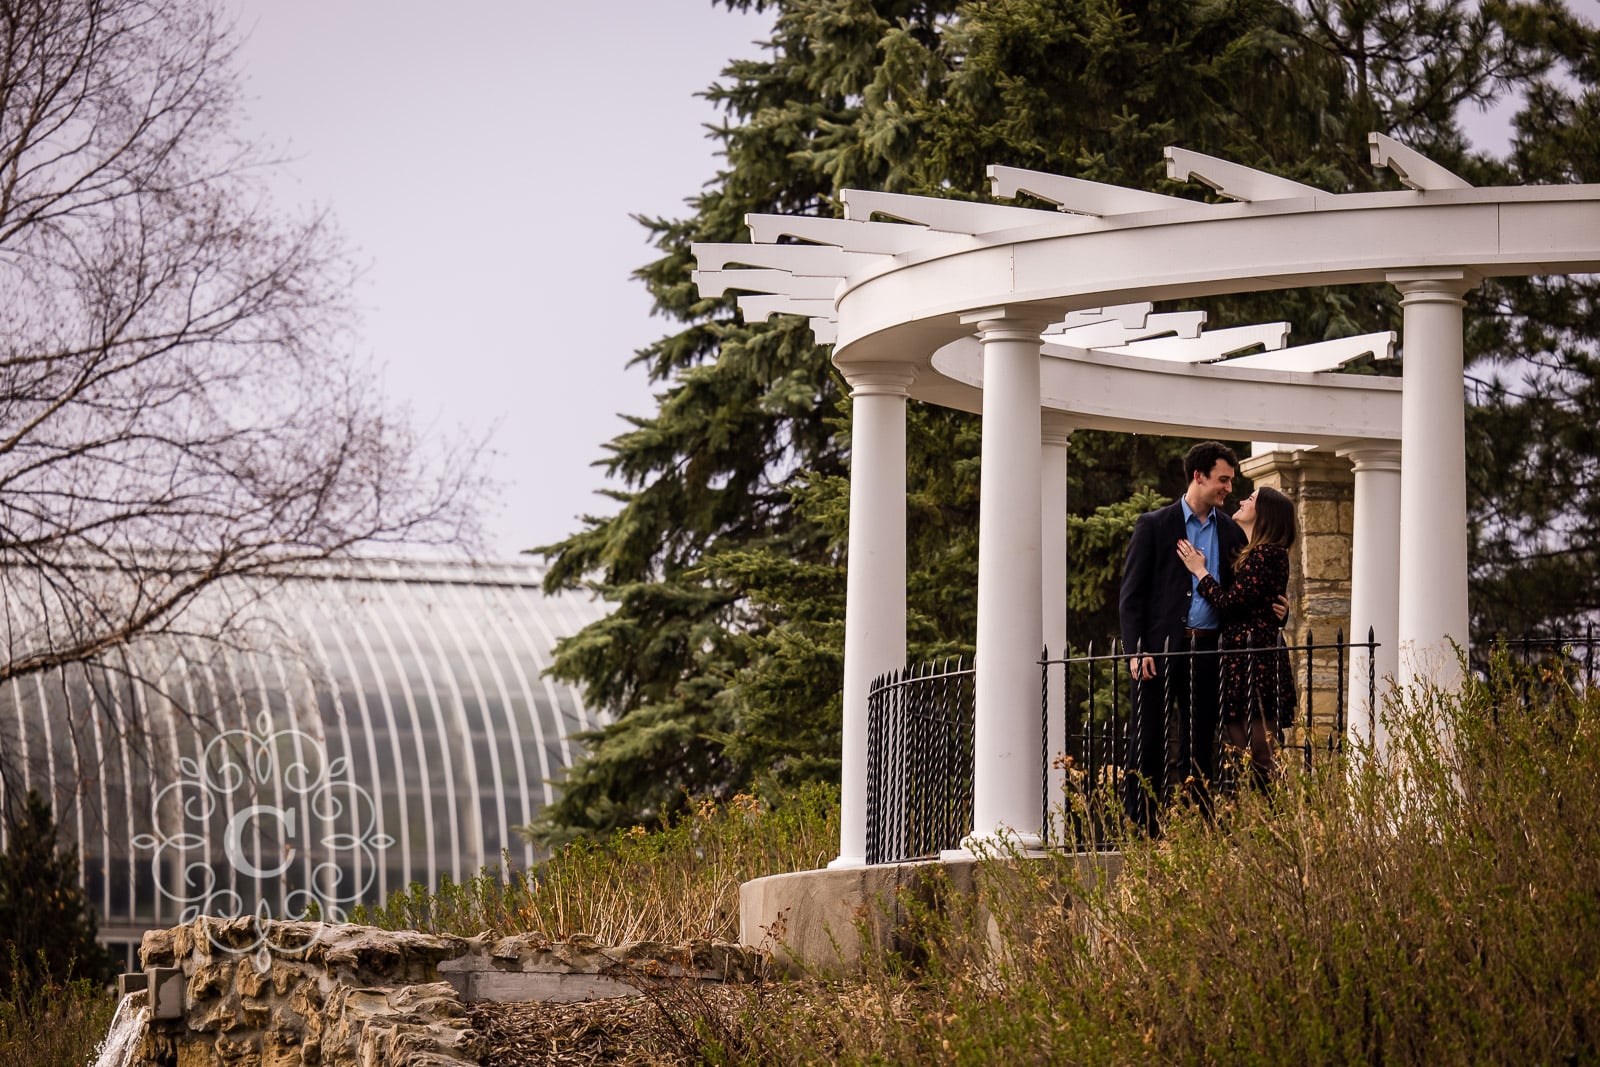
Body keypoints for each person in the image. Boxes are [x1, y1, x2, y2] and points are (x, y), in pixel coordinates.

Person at [1118, 441, 1247, 833]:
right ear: (1199, 476)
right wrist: (1137, 651)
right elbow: (1131, 596)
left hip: (1209, 651)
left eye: (1230, 481)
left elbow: (1242, 596)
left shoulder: (1230, 532)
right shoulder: (1154, 525)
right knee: (1149, 743)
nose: (1228, 488)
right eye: (1222, 480)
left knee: (1199, 746)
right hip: (1158, 653)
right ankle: (1143, 828)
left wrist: (1282, 610)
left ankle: (1199, 828)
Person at [1176, 486, 1299, 790]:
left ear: (1265, 513)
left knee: (1261, 755)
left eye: (1252, 499)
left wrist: (1199, 571)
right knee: (1246, 753)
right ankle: (1260, 822)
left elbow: (1231, 603)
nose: (1242, 500)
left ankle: (1281, 823)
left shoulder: (1269, 554)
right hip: (1239, 661)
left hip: (1255, 662)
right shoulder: (1251, 551)